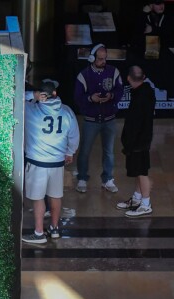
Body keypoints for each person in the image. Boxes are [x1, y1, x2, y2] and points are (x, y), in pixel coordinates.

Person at [21, 80, 80, 245]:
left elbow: (14, 97)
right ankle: (54, 229)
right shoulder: (67, 111)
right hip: (57, 162)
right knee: (55, 195)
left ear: (41, 95)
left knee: (38, 198)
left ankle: (39, 233)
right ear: (55, 93)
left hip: (37, 161)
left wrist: (32, 95)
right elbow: (74, 136)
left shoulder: (30, 109)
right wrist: (69, 152)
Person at [73, 44, 122, 195]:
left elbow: (120, 90)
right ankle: (82, 178)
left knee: (109, 152)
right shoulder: (84, 75)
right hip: (90, 119)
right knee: (85, 151)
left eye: (105, 58)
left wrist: (111, 96)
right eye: (100, 59)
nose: (103, 61)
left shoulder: (113, 72)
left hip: (109, 118)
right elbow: (77, 97)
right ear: (92, 58)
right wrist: (90, 98)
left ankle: (108, 179)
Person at [117, 66, 156, 218]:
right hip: (141, 139)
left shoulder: (141, 96)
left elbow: (135, 123)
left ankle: (146, 204)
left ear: (128, 78)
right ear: (144, 76)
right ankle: (137, 198)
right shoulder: (144, 91)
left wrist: (129, 143)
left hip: (139, 141)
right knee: (138, 171)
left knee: (141, 172)